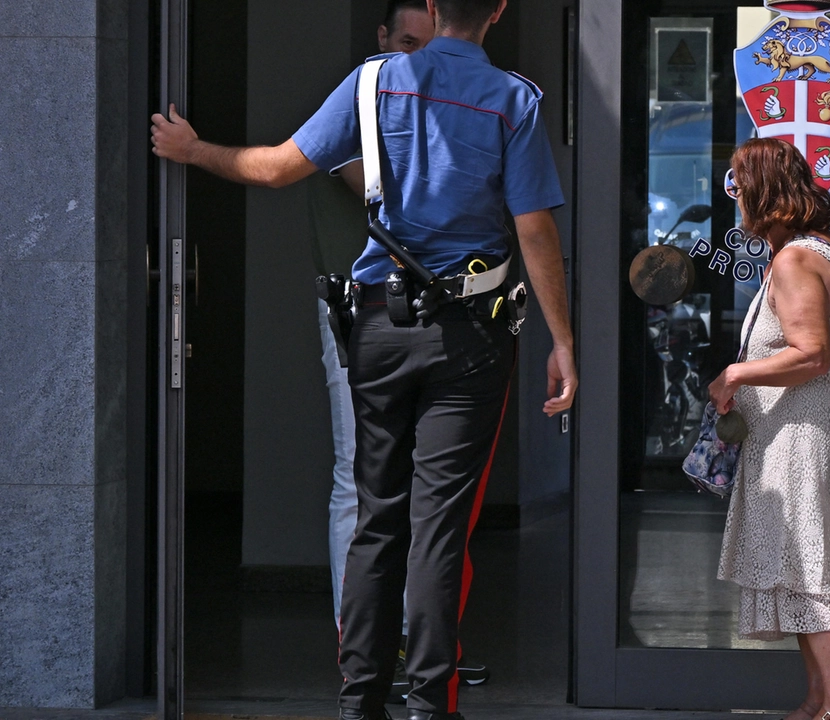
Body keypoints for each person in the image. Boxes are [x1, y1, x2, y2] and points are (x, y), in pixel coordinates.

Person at [150, 0, 578, 718]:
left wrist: (196, 152)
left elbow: (280, 166)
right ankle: (429, 703)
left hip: (378, 323)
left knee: (378, 515)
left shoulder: (372, 83)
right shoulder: (513, 100)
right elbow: (533, 229)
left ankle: (359, 701)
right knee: (440, 522)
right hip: (471, 332)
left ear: (435, 7)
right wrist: (564, 340)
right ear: (499, 11)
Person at [311, 0, 487, 697]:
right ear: (382, 39)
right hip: (365, 315)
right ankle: (358, 648)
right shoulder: (363, 103)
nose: (418, 56)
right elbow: (401, 196)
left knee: (421, 495)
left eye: (428, 42)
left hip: (431, 318)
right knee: (358, 485)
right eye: (406, 42)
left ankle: (415, 649)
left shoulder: (418, 103)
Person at [709, 138, 830, 720]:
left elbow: (812, 354)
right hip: (811, 434)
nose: (733, 198)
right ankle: (816, 703)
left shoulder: (796, 260)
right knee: (803, 572)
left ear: (763, 191)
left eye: (738, 185)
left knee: (812, 573)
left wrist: (736, 372)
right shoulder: (819, 251)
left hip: (807, 438)